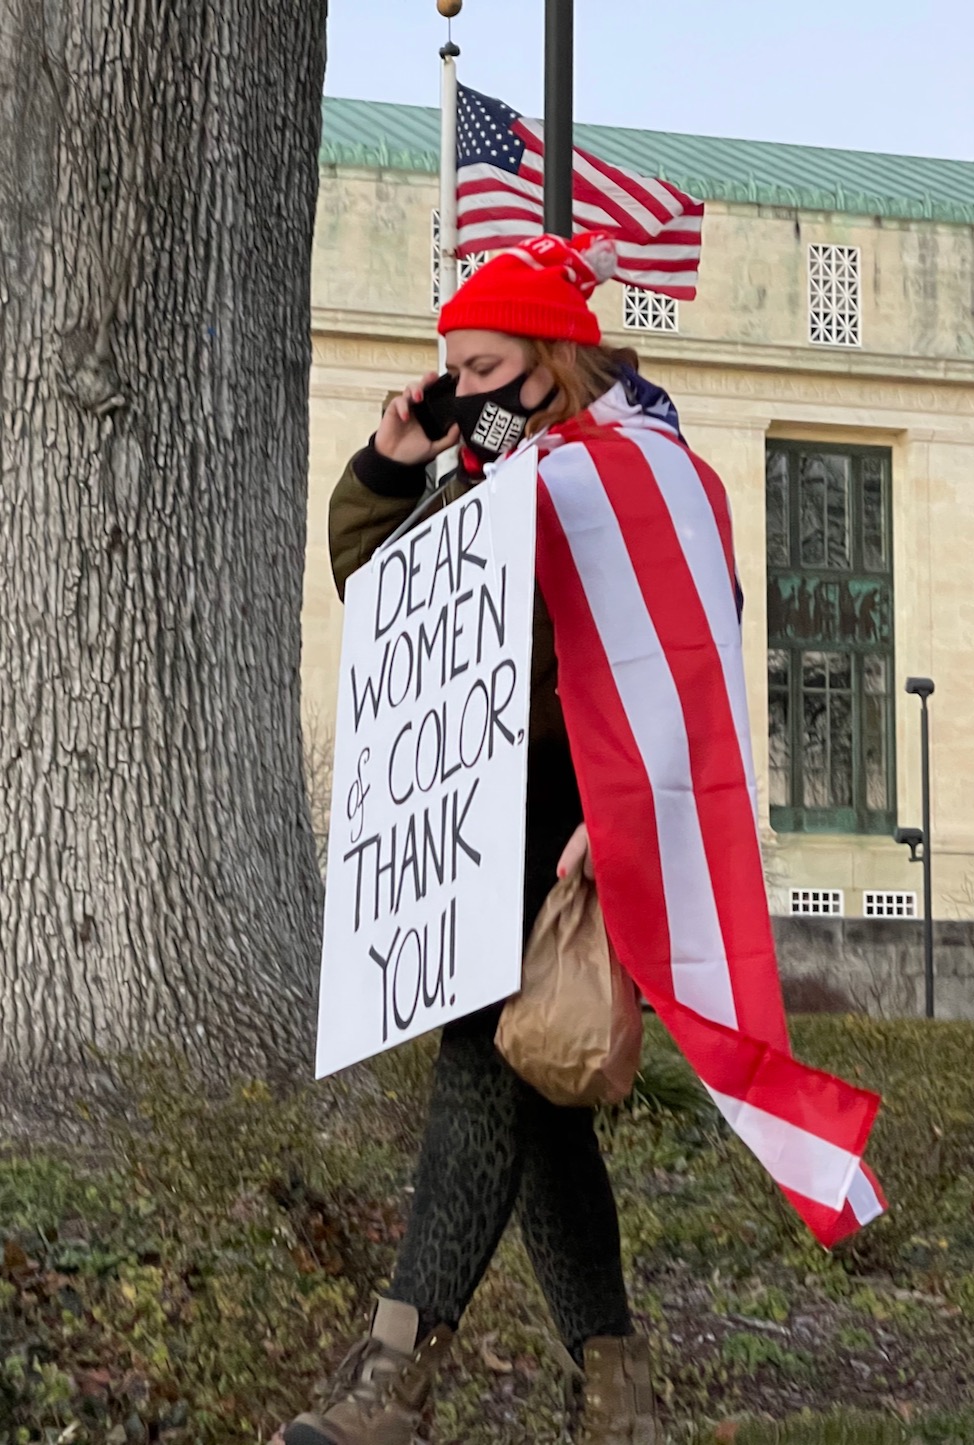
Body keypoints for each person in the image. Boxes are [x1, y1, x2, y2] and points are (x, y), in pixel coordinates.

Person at [282, 234, 663, 1445]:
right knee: (535, 1100)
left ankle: (393, 1380)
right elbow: (389, 606)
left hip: (564, 834)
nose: (467, 396)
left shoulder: (623, 472)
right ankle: (620, 1394)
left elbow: (677, 661)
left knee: (487, 1067)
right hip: (474, 831)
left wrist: (622, 812)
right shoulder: (476, 478)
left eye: (486, 367)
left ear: (554, 362)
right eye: (451, 373)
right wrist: (391, 467)